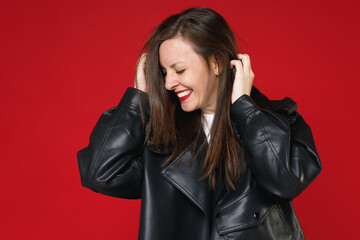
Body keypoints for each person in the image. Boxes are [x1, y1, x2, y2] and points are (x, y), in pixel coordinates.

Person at [77, 7, 321, 240]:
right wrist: (136, 99)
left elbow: (285, 181)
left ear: (216, 63)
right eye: (164, 72)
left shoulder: (278, 120)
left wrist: (246, 110)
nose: (168, 84)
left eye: (179, 70)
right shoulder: (160, 140)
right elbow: (99, 174)